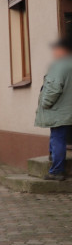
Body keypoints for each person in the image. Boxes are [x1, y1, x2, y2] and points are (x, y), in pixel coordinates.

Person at [35, 34, 72, 181]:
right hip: (67, 110)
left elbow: (53, 88)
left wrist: (45, 103)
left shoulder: (59, 65)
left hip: (59, 111)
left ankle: (56, 171)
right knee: (58, 137)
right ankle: (54, 161)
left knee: (57, 138)